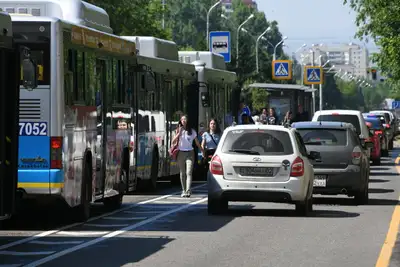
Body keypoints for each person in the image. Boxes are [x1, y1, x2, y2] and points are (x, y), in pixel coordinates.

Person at [172, 115, 204, 198]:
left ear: (187, 121)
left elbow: (196, 142)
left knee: (188, 172)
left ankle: (188, 190)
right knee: (182, 173)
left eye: (185, 119)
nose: (183, 121)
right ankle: (183, 190)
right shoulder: (178, 130)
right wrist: (178, 133)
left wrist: (202, 150)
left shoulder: (192, 131)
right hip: (181, 153)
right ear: (180, 121)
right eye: (182, 119)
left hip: (190, 153)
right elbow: (173, 141)